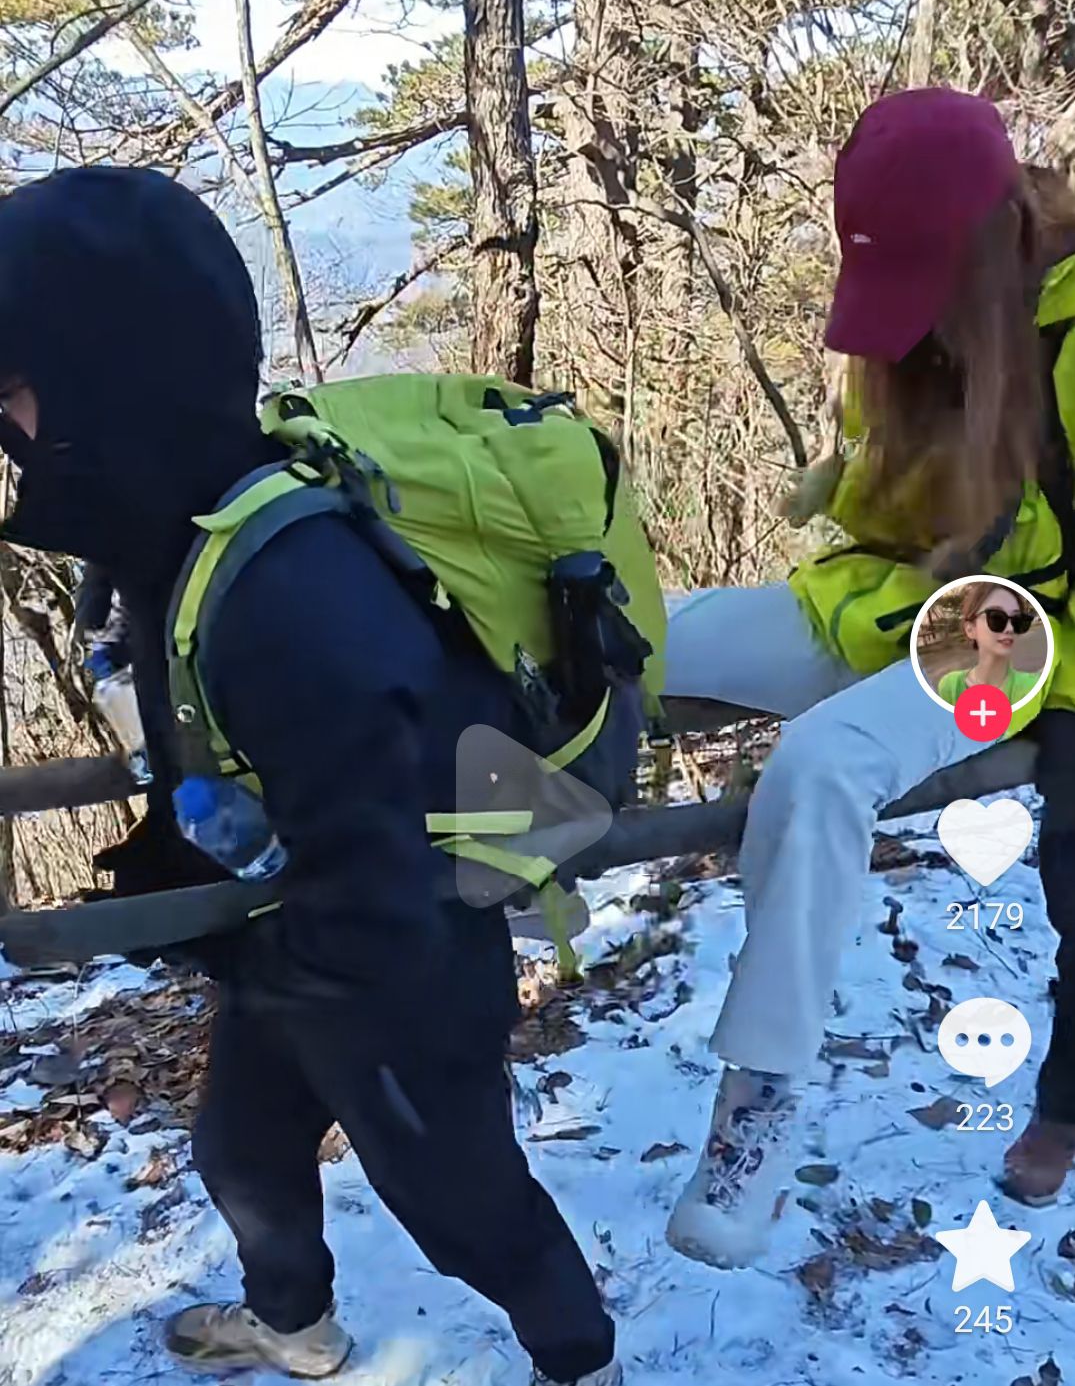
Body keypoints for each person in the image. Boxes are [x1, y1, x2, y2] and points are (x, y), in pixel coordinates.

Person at [0, 166, 621, 1385]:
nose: (8, 430)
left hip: (396, 960)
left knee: (462, 1199)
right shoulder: (177, 533)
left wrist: (308, 976)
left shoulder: (289, 593)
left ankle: (579, 1358)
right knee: (243, 1153)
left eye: (15, 393)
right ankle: (294, 1324)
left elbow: (373, 855)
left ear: (110, 385)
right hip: (293, 940)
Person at [662, 87, 1075, 1268]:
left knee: (824, 762)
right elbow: (894, 514)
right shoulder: (911, 321)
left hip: (1019, 629)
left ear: (991, 245)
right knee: (637, 633)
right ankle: (484, 824)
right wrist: (848, 485)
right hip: (886, 594)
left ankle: (757, 1107)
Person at [935, 583, 1040, 707]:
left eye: (1016, 620)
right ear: (970, 629)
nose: (1010, 628)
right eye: (996, 618)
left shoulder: (1032, 688)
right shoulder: (950, 687)